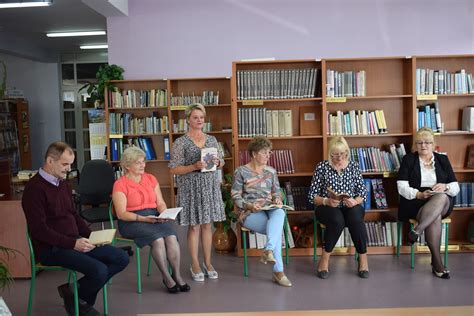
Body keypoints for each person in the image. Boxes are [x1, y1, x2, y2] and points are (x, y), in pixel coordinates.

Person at [22, 141, 129, 316]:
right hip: (52, 249)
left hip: (74, 242)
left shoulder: (63, 184)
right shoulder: (34, 190)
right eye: (65, 164)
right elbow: (39, 230)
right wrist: (73, 243)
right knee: (99, 270)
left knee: (121, 258)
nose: (68, 169)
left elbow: (74, 216)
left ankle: (74, 295)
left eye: (70, 164)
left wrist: (93, 236)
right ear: (50, 161)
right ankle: (80, 303)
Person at [112, 146, 190, 293]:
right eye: (138, 163)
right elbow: (121, 214)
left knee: (172, 237)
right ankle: (167, 278)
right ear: (127, 165)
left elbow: (160, 202)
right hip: (132, 221)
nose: (143, 165)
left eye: (143, 161)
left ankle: (177, 276)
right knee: (158, 240)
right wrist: (144, 219)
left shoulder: (151, 178)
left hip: (154, 217)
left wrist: (164, 213)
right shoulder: (120, 184)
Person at [169, 103, 226, 282]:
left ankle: (208, 262)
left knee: (208, 225)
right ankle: (194, 263)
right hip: (190, 188)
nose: (199, 120)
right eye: (195, 117)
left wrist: (218, 163)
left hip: (209, 186)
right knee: (194, 226)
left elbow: (222, 162)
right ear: (188, 120)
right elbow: (173, 169)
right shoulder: (181, 142)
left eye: (202, 117)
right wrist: (193, 166)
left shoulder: (212, 140)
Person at [397, 127, 459, 279]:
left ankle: (417, 231)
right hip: (416, 202)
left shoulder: (442, 160)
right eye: (419, 143)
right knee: (435, 217)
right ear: (415, 145)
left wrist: (445, 187)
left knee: (442, 197)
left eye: (427, 142)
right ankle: (437, 264)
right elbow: (401, 186)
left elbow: (456, 186)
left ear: (433, 144)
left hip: (442, 201)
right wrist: (418, 194)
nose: (423, 146)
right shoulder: (408, 159)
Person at [231, 136, 292, 287]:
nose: (268, 156)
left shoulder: (271, 172)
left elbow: (277, 192)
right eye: (264, 152)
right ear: (253, 154)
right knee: (276, 231)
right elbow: (235, 196)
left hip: (269, 208)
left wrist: (277, 199)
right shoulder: (241, 172)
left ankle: (269, 250)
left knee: (280, 212)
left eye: (269, 153)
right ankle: (278, 272)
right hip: (249, 212)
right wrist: (249, 206)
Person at [308, 136, 369, 279]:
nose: (340, 158)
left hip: (350, 206)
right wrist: (326, 201)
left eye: (343, 154)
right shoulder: (322, 167)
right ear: (330, 153)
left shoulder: (353, 166)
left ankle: (363, 259)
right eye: (336, 155)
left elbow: (362, 193)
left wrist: (355, 201)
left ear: (347, 153)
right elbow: (312, 195)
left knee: (355, 218)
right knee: (337, 220)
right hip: (327, 207)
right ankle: (325, 259)